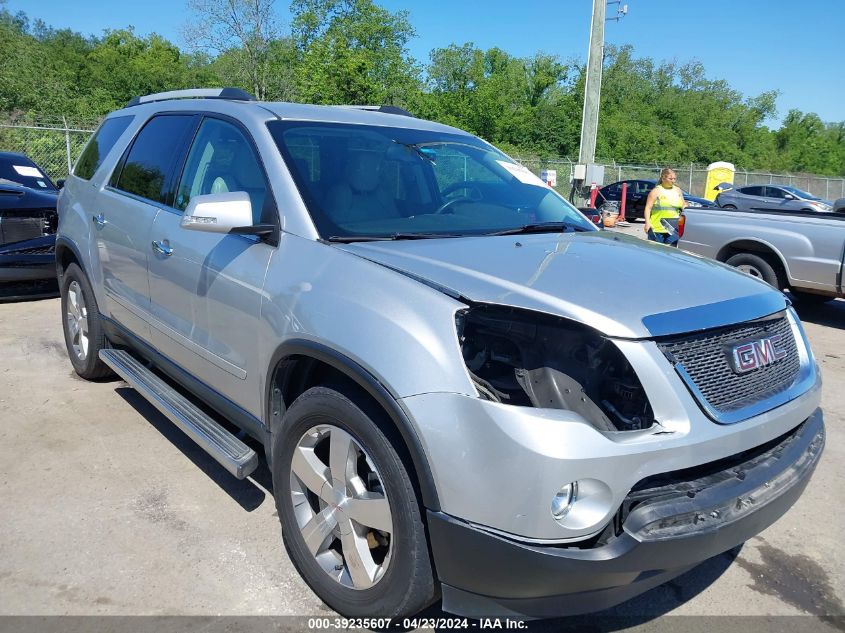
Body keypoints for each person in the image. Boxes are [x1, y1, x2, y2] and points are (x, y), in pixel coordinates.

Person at [643, 168, 687, 246]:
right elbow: (648, 208)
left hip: (673, 228)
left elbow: (683, 205)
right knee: (657, 252)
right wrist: (647, 223)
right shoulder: (656, 191)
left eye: (674, 179)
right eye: (670, 178)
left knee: (671, 252)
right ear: (663, 178)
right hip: (657, 228)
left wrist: (686, 206)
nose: (673, 181)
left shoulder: (678, 190)